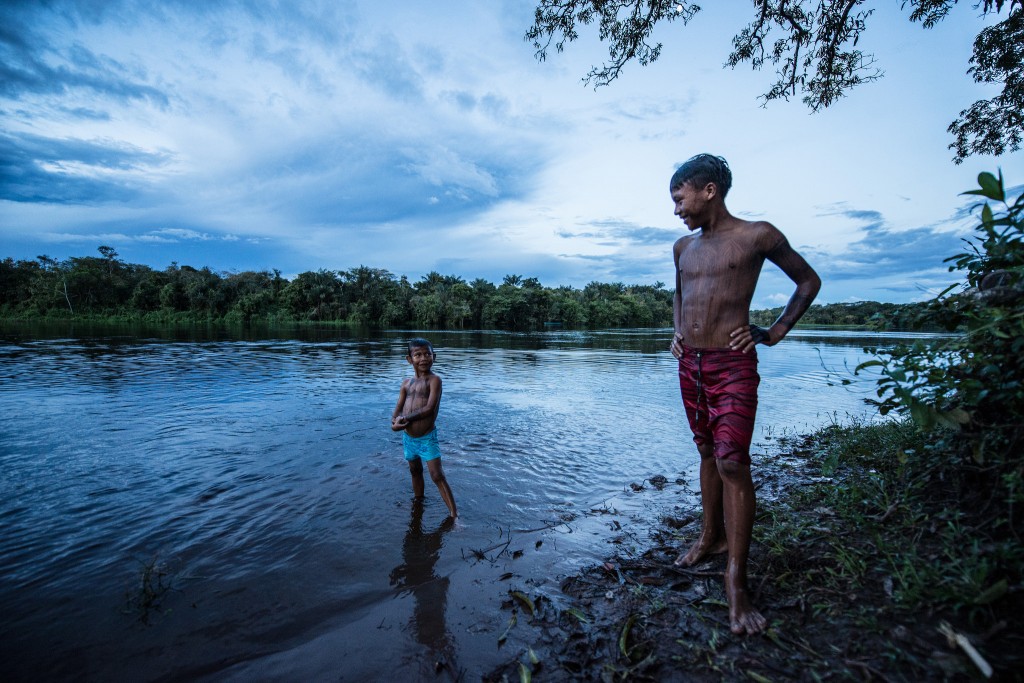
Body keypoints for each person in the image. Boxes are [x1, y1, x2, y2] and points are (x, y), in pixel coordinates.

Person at [668, 154, 821, 635]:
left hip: (732, 363)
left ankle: (737, 579)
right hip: (689, 362)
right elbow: (679, 295)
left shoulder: (758, 235)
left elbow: (807, 281)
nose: (677, 210)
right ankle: (710, 536)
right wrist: (676, 332)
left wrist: (774, 332)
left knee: (733, 461)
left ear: (708, 190)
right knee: (707, 451)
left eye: (680, 198)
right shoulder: (682, 248)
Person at [392, 338, 458, 519]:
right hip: (408, 438)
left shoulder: (434, 380)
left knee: (437, 475)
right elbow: (398, 408)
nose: (423, 358)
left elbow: (429, 408)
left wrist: (405, 418)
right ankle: (418, 502)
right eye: (418, 355)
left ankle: (454, 516)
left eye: (428, 354)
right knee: (415, 471)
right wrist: (394, 423)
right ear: (409, 359)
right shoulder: (406, 383)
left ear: (434, 357)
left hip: (427, 437)